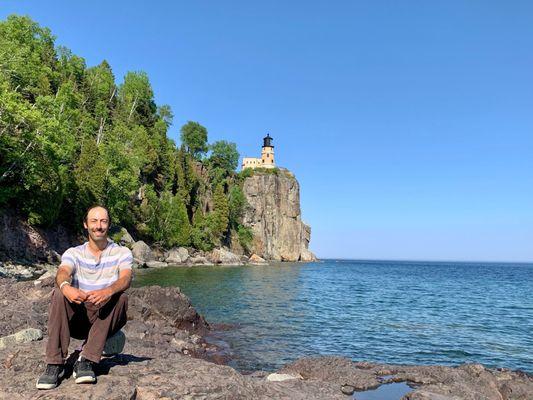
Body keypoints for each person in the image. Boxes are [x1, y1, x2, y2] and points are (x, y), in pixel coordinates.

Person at [36, 205, 133, 389]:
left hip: (103, 318)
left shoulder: (122, 253)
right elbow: (63, 271)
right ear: (86, 224)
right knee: (59, 292)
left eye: (103, 221)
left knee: (121, 297)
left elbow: (126, 278)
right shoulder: (74, 253)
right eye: (94, 221)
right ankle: (55, 364)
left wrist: (108, 291)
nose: (99, 226)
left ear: (109, 224)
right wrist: (66, 286)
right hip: (77, 320)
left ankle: (86, 360)